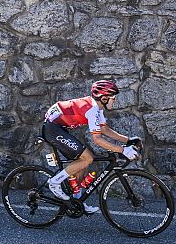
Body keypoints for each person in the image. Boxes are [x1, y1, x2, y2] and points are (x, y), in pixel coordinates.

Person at [42, 80, 140, 214]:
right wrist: (122, 150)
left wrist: (128, 140)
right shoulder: (92, 109)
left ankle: (77, 201)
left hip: (59, 126)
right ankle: (54, 182)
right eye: (113, 97)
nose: (115, 100)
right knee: (87, 158)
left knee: (82, 162)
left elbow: (104, 130)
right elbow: (98, 139)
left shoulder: (98, 108)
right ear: (104, 98)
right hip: (53, 128)